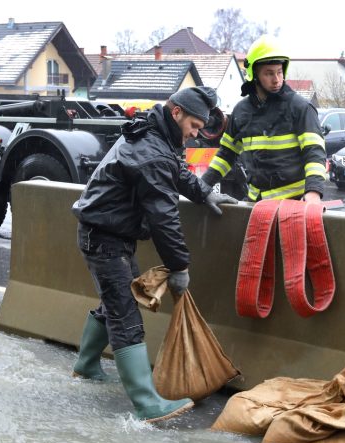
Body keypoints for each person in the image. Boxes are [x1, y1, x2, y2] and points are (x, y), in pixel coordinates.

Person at [71, 86, 237, 423]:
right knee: (125, 313)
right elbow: (164, 217)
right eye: (193, 125)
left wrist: (203, 193)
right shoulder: (153, 148)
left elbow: (174, 173)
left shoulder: (155, 133)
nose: (195, 134)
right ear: (176, 113)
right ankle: (147, 403)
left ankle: (86, 365)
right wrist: (180, 266)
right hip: (105, 237)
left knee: (116, 300)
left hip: (107, 232)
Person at [201, 35, 326, 203]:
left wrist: (314, 192)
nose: (276, 80)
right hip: (256, 203)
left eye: (279, 72)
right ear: (254, 74)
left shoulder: (300, 108)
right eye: (269, 73)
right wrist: (201, 187)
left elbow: (314, 153)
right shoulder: (241, 111)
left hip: (293, 204)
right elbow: (226, 154)